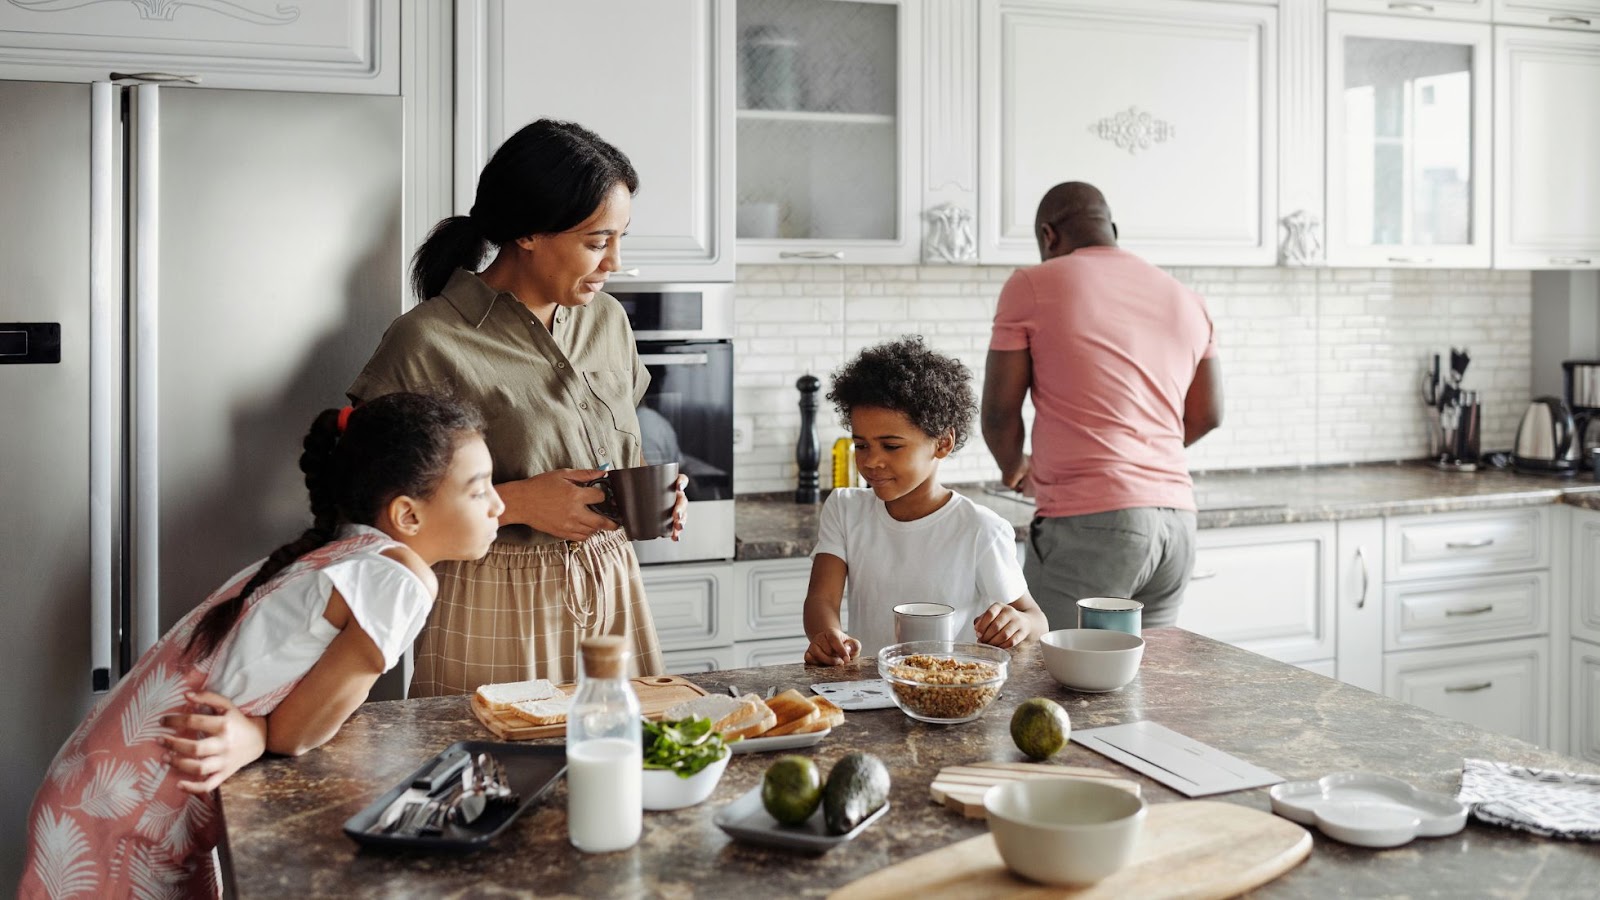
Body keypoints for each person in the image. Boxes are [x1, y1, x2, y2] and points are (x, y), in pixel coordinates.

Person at [19, 393, 502, 899]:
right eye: (479, 490)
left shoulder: (342, 552)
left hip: (100, 791)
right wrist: (260, 732)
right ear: (407, 515)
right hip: (118, 820)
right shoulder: (399, 579)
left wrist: (256, 731)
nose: (499, 505)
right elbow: (295, 734)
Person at [348, 118, 684, 696]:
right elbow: (371, 513)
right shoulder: (428, 340)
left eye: (620, 239)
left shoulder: (608, 322)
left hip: (614, 585)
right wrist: (516, 504)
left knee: (626, 769)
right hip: (489, 597)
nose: (615, 263)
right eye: (598, 242)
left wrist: (653, 496)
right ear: (528, 233)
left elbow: (616, 445)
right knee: (497, 775)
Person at [981, 182, 1223, 630]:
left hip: (1091, 521)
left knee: (1049, 674)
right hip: (1178, 525)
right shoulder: (1186, 298)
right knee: (1146, 679)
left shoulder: (1032, 284)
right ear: (1111, 227)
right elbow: (1209, 414)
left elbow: (998, 411)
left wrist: (1014, 467)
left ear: (1048, 236)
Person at [802, 337, 1048, 665]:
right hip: (870, 687)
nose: (872, 461)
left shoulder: (980, 528)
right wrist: (826, 634)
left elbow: (1035, 618)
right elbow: (821, 598)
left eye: (891, 446)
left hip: (948, 691)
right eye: (861, 445)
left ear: (943, 443)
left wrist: (1019, 623)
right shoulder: (845, 509)